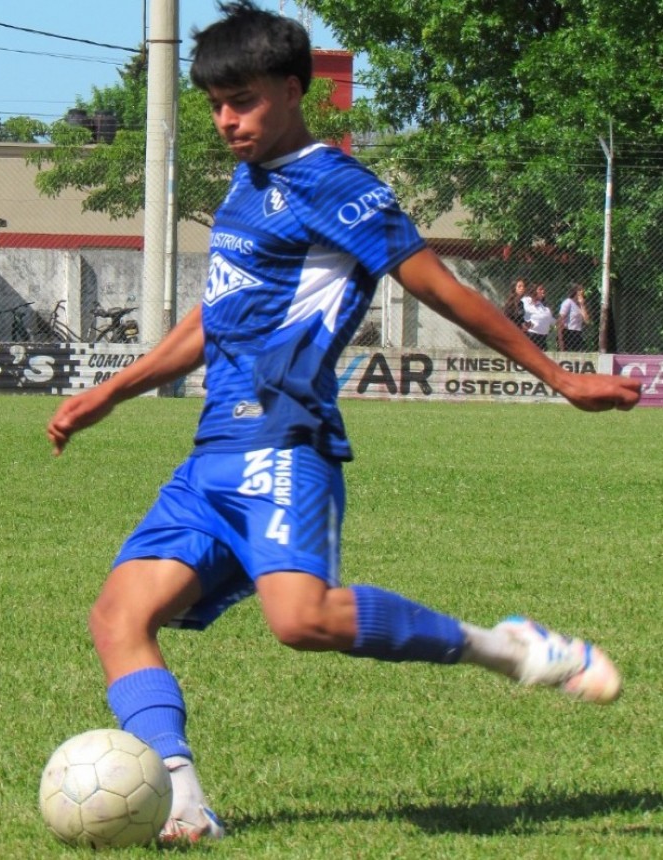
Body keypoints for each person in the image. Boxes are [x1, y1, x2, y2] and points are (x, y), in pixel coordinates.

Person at [46, 1, 642, 843]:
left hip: (286, 440)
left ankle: (502, 648)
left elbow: (443, 289)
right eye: (216, 104)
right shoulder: (247, 188)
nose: (226, 121)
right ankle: (181, 800)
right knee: (117, 616)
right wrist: (115, 390)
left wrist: (558, 375)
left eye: (242, 101)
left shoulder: (337, 185)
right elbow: (215, 319)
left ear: (294, 90)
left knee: (302, 621)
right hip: (212, 453)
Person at [523, 283, 556, 350]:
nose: (543, 291)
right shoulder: (525, 301)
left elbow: (550, 320)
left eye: (543, 289)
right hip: (530, 336)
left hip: (542, 339)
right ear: (533, 290)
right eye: (540, 289)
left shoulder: (542, 306)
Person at [558, 283, 590, 351]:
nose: (583, 294)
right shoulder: (568, 302)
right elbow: (560, 320)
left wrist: (582, 304)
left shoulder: (579, 305)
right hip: (568, 332)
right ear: (576, 292)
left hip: (577, 332)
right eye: (580, 291)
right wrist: (560, 339)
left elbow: (587, 320)